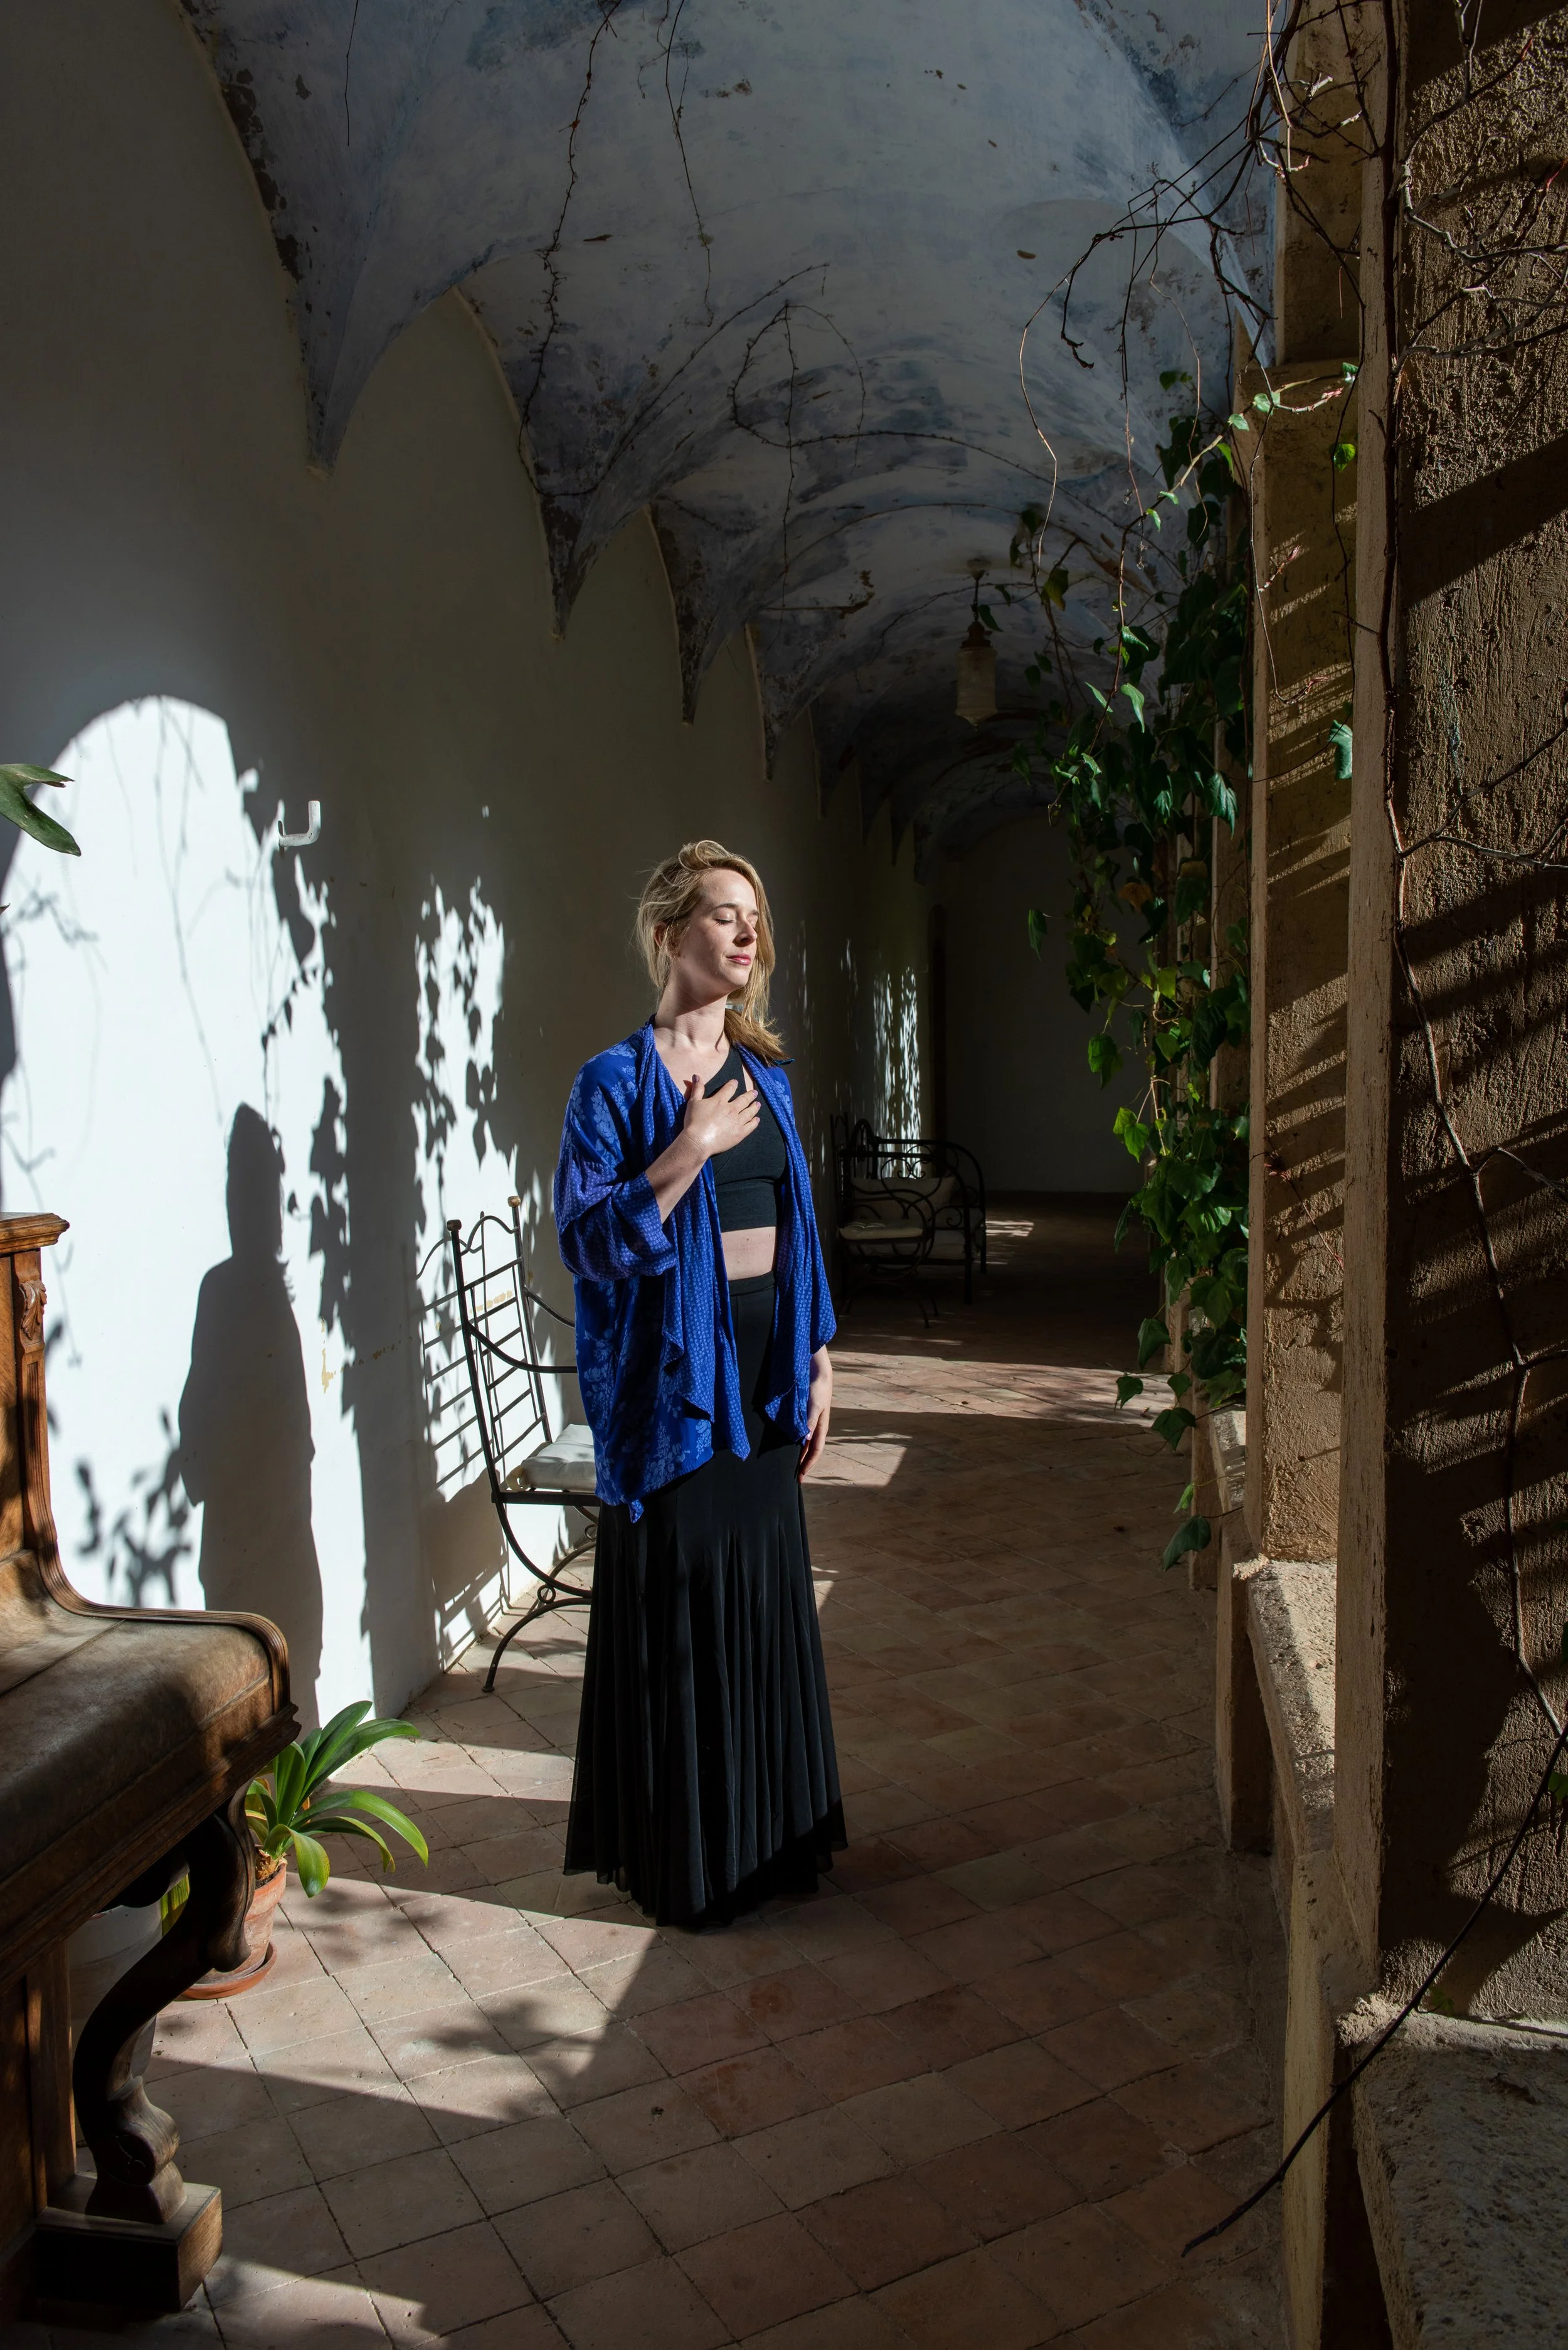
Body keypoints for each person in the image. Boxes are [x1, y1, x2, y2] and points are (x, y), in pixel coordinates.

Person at [554, 839, 844, 1928]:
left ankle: (770, 1844)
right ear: (670, 931)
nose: (746, 931)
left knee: (759, 1602)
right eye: (725, 913)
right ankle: (693, 1863)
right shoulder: (612, 1082)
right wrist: (689, 1147)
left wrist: (818, 1355)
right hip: (672, 1393)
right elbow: (586, 1240)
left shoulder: (765, 1075)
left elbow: (798, 1226)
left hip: (766, 1382)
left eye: (753, 916)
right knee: (683, 1608)